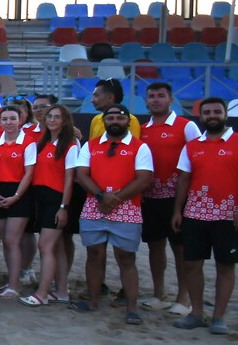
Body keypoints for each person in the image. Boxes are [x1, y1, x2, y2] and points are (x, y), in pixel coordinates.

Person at [72, 103, 154, 324]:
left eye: (120, 118)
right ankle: (93, 301)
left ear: (128, 121)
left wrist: (114, 199)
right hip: (94, 206)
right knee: (94, 255)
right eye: (111, 118)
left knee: (126, 258)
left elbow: (144, 178)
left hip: (127, 208)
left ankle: (132, 308)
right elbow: (82, 174)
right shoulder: (91, 145)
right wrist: (101, 196)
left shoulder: (140, 147)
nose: (115, 122)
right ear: (104, 121)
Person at [171, 97, 238, 335]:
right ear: (201, 116)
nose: (212, 116)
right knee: (192, 264)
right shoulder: (192, 146)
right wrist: (178, 211)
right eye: (207, 112)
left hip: (228, 216)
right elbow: (184, 180)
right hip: (195, 214)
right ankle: (197, 313)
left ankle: (218, 317)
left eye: (216, 112)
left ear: (225, 115)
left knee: (225, 266)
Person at [138, 82, 200, 312]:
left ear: (170, 99)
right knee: (155, 247)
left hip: (178, 199)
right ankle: (159, 294)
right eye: (151, 96)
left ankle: (184, 298)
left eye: (161, 96)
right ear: (146, 101)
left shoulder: (187, 126)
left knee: (180, 248)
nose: (156, 100)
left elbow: (199, 159)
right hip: (150, 198)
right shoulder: (142, 129)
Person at [21, 104, 78, 306]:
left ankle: (42, 293)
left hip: (56, 199)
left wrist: (64, 207)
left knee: (45, 245)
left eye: (57, 117)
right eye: (49, 116)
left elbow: (69, 179)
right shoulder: (43, 143)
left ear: (65, 121)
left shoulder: (70, 145)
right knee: (58, 247)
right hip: (41, 197)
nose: (52, 120)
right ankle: (61, 291)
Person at [0, 107, 36, 298]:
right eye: (4, 118)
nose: (8, 122)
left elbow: (29, 173)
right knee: (6, 241)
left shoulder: (28, 143)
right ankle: (11, 282)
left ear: (20, 120)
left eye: (12, 118)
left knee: (12, 240)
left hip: (19, 194)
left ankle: (15, 285)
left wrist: (16, 196)